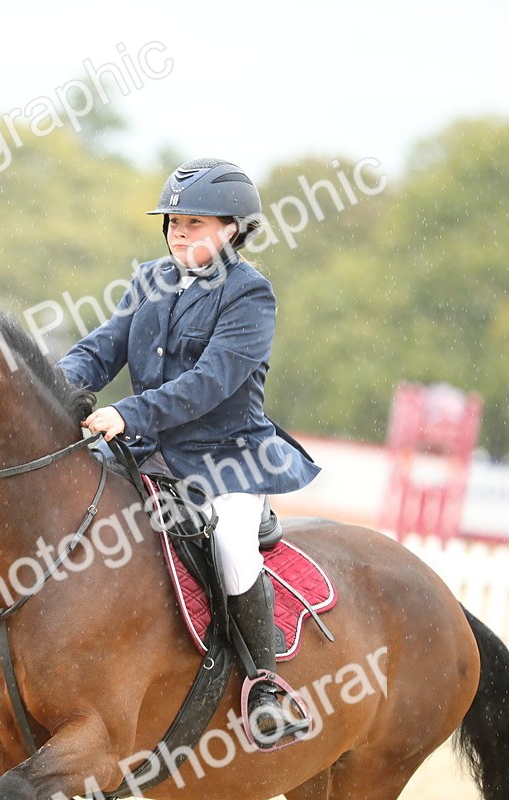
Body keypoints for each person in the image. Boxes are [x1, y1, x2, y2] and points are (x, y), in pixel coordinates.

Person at [57, 158, 321, 748]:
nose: (178, 231)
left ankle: (265, 685)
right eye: (174, 221)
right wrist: (51, 388)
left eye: (194, 221)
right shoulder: (149, 278)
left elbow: (211, 382)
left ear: (234, 228)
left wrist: (128, 412)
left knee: (229, 540)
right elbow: (100, 351)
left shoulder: (250, 293)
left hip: (226, 459)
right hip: (148, 453)